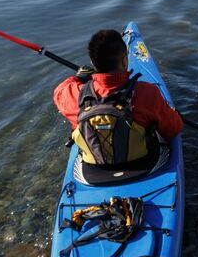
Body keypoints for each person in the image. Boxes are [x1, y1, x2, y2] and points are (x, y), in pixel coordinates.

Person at [53, 29, 183, 177]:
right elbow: (173, 130)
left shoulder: (74, 94)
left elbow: (58, 91)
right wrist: (173, 114)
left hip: (93, 172)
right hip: (143, 165)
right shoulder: (147, 92)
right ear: (123, 60)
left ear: (92, 62)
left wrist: (79, 78)